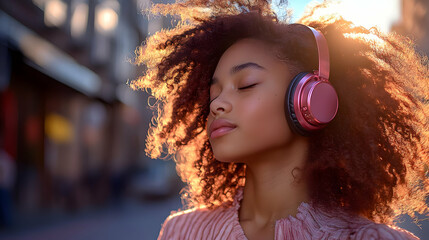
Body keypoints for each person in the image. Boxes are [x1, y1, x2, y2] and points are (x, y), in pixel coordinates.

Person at [132, 0, 429, 239]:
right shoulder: (182, 232)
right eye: (214, 92)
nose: (217, 105)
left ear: (311, 99)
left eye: (246, 84)